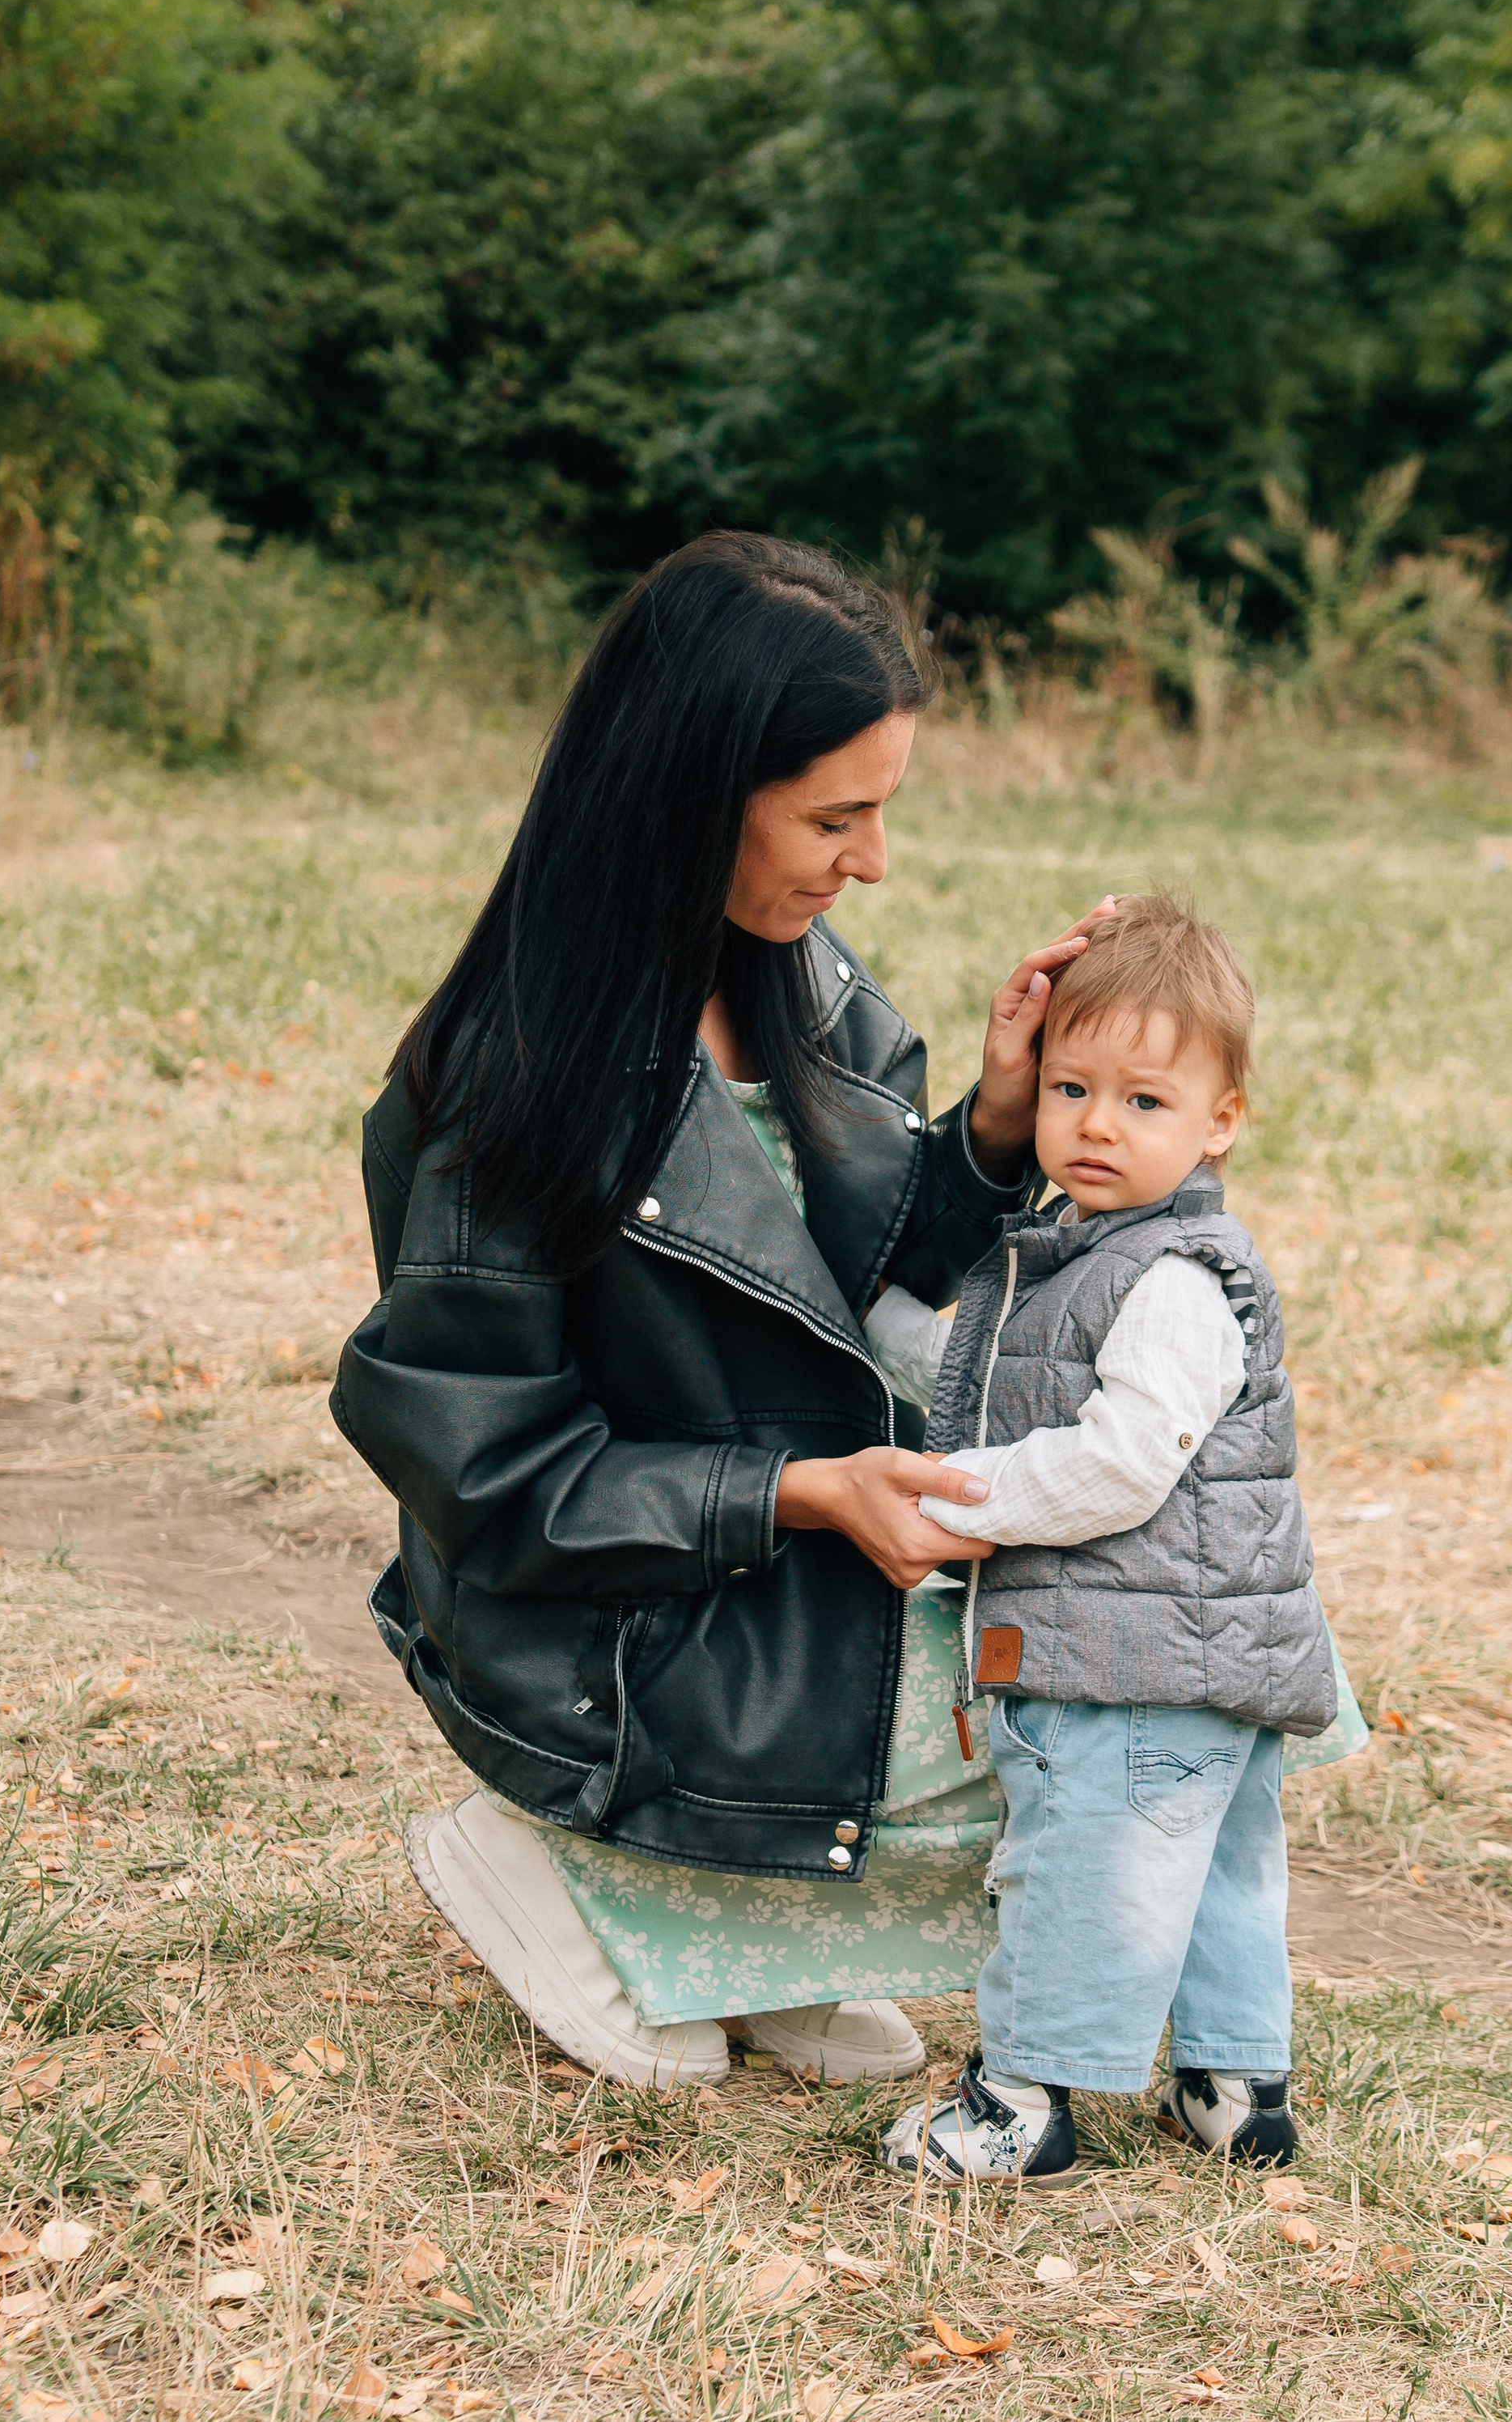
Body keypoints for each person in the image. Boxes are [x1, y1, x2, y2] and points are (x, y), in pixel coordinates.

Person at [330, 528, 1109, 2087]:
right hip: (607, 1634)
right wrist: (804, 1491)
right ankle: (561, 1860)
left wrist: (1000, 1128)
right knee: (1091, 1711)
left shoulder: (802, 983)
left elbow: (861, 1284)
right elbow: (488, 1477)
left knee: (1162, 1639)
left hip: (768, 1574)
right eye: (837, 815)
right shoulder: (515, 1080)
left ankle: (747, 1928)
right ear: (696, 796)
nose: (872, 857)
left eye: (882, 807)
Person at [878, 892, 1337, 2183]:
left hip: (1128, 1655)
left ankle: (1020, 2102)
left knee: (1081, 1870)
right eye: (1073, 1088)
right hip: (1198, 1647)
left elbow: (1122, 1466)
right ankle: (1235, 2083)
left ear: (1221, 1123)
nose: (1095, 1124)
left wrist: (954, 1501)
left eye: (1145, 1101)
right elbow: (979, 1361)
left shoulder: (1176, 1277)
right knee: (1213, 1873)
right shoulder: (1094, 1250)